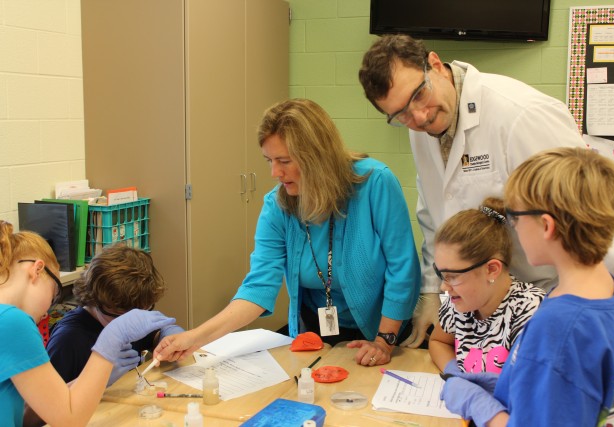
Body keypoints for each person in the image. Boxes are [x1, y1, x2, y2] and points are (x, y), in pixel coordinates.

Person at [358, 34, 614, 348]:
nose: (419, 116)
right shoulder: (422, 129)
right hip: (487, 314)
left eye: (419, 95)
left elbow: (598, 222)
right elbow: (433, 219)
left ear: (435, 65)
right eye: (401, 116)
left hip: (554, 305)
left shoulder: (519, 115)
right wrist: (432, 292)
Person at [153, 98, 420, 367]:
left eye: (284, 161)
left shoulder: (376, 183)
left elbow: (403, 268)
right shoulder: (277, 206)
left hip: (387, 329)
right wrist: (195, 338)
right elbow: (258, 287)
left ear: (317, 155)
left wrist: (384, 341)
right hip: (318, 336)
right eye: (269, 160)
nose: (274, 172)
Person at [441, 147, 614, 426]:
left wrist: (479, 406)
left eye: (516, 218)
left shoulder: (558, 326)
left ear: (547, 226)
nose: (514, 228)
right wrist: (509, 384)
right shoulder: (611, 291)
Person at [0, 220, 175, 427]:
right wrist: (112, 337)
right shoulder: (12, 321)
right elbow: (69, 419)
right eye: (55, 293)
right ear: (37, 270)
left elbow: (44, 407)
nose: (48, 308)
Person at [429, 197, 545, 374]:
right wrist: (455, 374)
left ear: (491, 269)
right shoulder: (460, 303)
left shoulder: (530, 313)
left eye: (452, 276)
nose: (444, 287)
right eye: (441, 275)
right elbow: (438, 341)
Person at [46, 244, 184, 385]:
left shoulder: (124, 310)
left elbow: (154, 335)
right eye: (120, 316)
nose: (128, 323)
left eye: (139, 313)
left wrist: (168, 335)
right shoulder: (67, 339)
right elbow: (43, 404)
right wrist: (96, 378)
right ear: (95, 301)